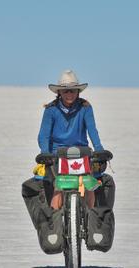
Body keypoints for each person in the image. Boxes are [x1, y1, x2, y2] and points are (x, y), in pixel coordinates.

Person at [37, 69, 104, 210]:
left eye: (72, 91)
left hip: (82, 153)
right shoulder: (51, 110)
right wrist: (45, 153)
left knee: (89, 186)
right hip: (57, 155)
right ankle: (54, 225)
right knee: (58, 187)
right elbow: (44, 135)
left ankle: (90, 218)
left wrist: (99, 150)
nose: (69, 94)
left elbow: (93, 130)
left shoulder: (85, 107)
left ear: (78, 92)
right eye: (66, 91)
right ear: (59, 92)